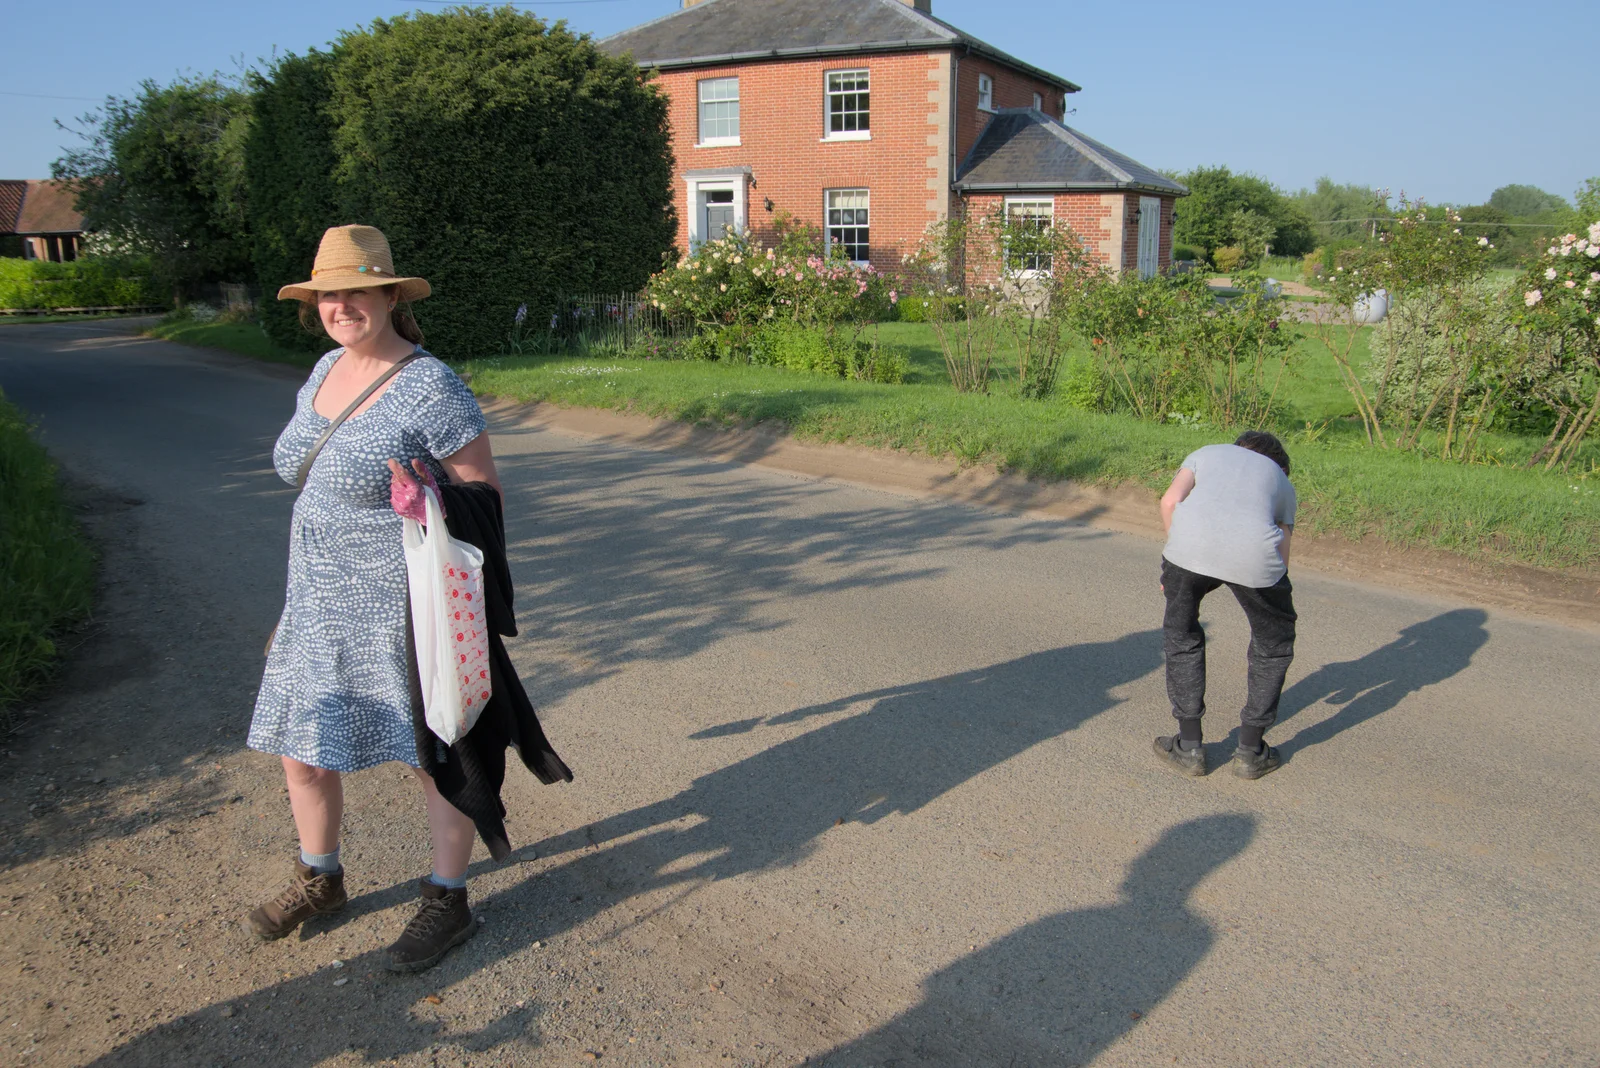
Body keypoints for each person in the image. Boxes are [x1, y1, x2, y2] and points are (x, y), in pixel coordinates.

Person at [244, 224, 499, 971]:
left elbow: (484, 495)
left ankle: (448, 899)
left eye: (358, 290)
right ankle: (319, 877)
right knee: (303, 747)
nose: (342, 305)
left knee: (433, 754)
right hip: (315, 602)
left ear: (390, 295)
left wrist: (425, 497)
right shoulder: (323, 368)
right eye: (329, 293)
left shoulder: (431, 385)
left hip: (402, 611)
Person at [1152, 430, 1297, 780]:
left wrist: (1176, 566)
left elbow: (1169, 502)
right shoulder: (1282, 482)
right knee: (1273, 644)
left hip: (1188, 550)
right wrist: (1272, 595)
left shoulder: (1205, 452)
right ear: (1278, 464)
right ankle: (1250, 752)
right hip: (1256, 558)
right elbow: (1282, 549)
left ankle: (1188, 747)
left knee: (1181, 635)